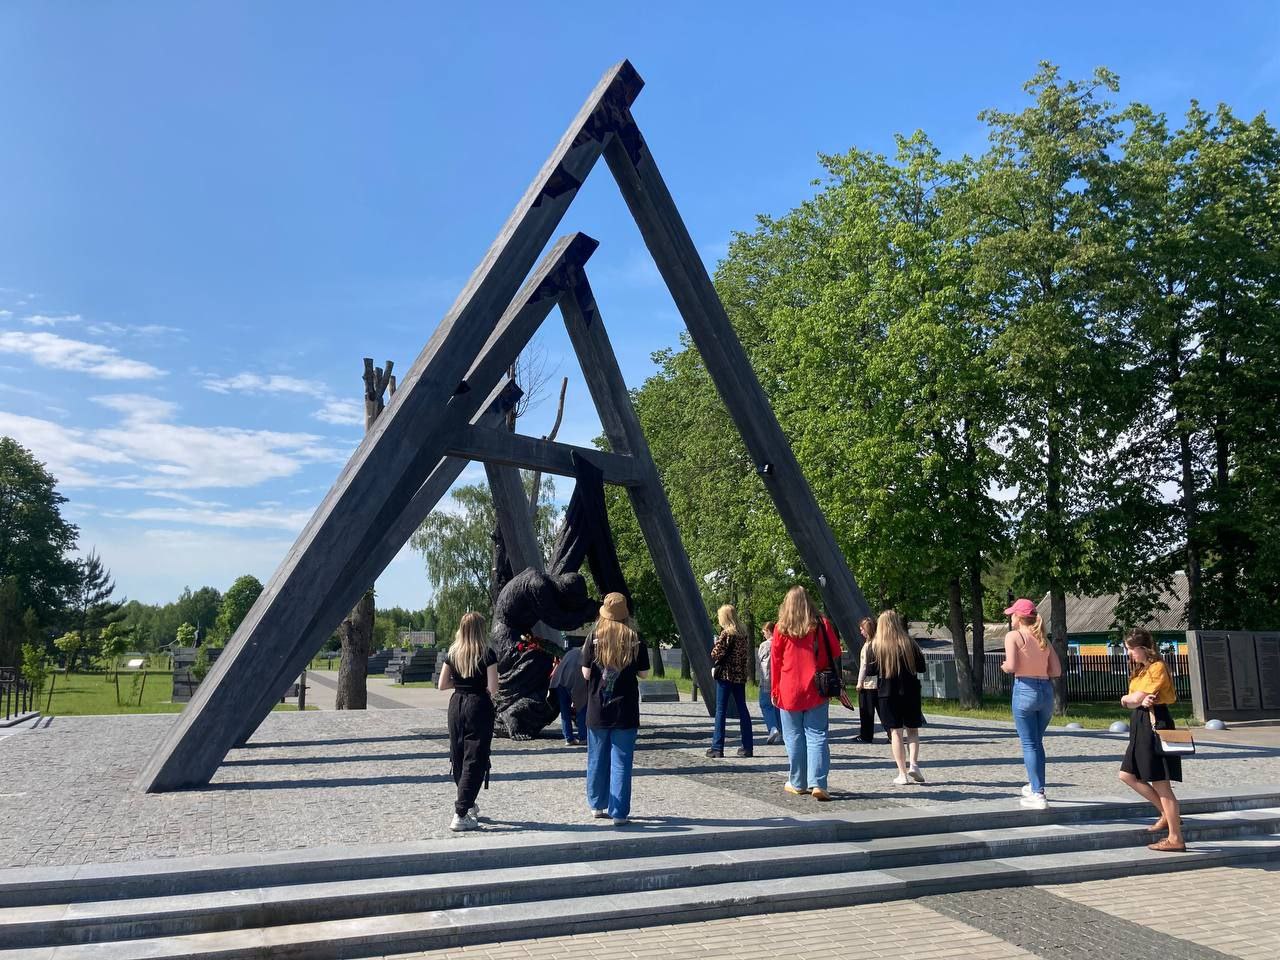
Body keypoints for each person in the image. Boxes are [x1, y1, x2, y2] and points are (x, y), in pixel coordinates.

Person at [581, 592, 650, 825]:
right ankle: (619, 813)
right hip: (626, 709)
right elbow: (644, 673)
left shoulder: (594, 637)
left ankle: (597, 805)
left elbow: (586, 673)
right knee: (621, 762)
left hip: (598, 707)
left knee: (596, 759)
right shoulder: (635, 639)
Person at [1118, 627, 1186, 852]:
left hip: (1155, 723)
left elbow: (1135, 698)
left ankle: (1175, 838)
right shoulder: (1140, 670)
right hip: (1140, 723)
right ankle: (1167, 814)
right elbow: (1133, 701)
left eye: (1131, 649)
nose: (1129, 653)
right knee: (1127, 774)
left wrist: (1129, 699)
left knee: (1160, 782)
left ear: (1142, 648)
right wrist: (1130, 700)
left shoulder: (1157, 667)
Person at [771, 585, 839, 801]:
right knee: (817, 735)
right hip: (817, 688)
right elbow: (835, 651)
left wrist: (774, 689)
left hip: (788, 689)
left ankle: (798, 782)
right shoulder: (822, 624)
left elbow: (776, 662)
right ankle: (818, 783)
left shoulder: (781, 628)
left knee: (793, 736)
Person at [437, 611, 499, 832]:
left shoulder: (453, 653)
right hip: (478, 705)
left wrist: (460, 684)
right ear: (481, 630)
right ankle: (461, 812)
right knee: (475, 758)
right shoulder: (487, 653)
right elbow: (493, 688)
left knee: (458, 754)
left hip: (456, 705)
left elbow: (442, 685)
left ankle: (468, 802)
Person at [1001, 597, 1063, 809]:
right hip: (1046, 691)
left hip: (1025, 689)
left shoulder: (1014, 636)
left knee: (1030, 744)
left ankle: (1037, 793)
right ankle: (1035, 786)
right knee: (1036, 742)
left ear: (1018, 617)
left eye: (1012, 615)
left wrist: (1005, 666)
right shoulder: (1042, 638)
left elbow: (1011, 666)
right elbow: (1056, 671)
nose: (1011, 618)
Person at [867, 609, 926, 785]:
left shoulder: (876, 646)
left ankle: (902, 773)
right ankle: (914, 764)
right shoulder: (910, 643)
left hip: (887, 693)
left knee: (896, 733)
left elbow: (871, 671)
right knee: (913, 730)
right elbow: (921, 667)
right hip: (911, 692)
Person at [707, 604, 754, 758]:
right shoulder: (743, 634)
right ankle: (747, 747)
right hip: (739, 676)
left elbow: (715, 654)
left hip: (725, 675)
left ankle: (717, 747)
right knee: (743, 709)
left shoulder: (726, 634)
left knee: (721, 710)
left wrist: (716, 643)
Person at [550, 640, 587, 746]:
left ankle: (568, 738)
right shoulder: (587, 655)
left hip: (560, 682)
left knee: (565, 710)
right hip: (575, 682)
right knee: (581, 708)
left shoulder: (571, 652)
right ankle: (583, 737)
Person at [854, 616, 879, 744]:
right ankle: (892, 734)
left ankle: (866, 735)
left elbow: (863, 666)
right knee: (883, 711)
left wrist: (859, 683)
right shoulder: (879, 644)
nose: (861, 632)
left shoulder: (868, 646)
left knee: (866, 712)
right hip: (880, 683)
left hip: (868, 684)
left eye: (862, 629)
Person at [756, 621, 781, 745]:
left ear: (769, 631)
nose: (763, 634)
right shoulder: (779, 643)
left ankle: (772, 728)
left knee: (765, 704)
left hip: (766, 680)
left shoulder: (765, 645)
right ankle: (780, 731)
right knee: (777, 706)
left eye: (764, 632)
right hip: (779, 680)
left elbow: (760, 662)